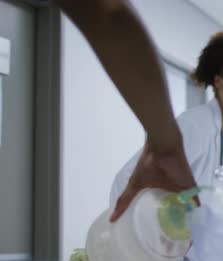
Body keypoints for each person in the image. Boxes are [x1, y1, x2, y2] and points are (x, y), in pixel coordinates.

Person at [53, 0, 198, 221]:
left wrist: (166, 145)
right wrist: (166, 145)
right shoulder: (197, 122)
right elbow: (109, 14)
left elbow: (109, 15)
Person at [109, 31, 223, 214]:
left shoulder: (221, 138)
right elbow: (127, 179)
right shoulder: (196, 124)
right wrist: (147, 233)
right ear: (219, 82)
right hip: (157, 241)